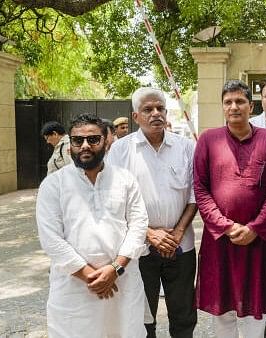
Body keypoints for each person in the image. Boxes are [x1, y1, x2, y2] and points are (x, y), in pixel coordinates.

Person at [36, 113, 149, 337]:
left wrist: (114, 270)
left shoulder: (125, 179)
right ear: (71, 145)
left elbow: (138, 225)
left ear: (106, 142)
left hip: (122, 282)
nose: (85, 145)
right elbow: (51, 239)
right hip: (74, 287)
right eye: (78, 140)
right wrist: (91, 276)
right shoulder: (53, 184)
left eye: (93, 139)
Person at [193, 80, 266, 338]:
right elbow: (200, 189)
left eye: (240, 101)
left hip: (258, 240)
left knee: (255, 309)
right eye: (228, 102)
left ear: (251, 106)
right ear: (223, 107)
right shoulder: (208, 140)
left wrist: (255, 228)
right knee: (222, 309)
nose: (234, 107)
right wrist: (226, 226)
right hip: (221, 240)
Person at [106, 87, 198, 338]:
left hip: (181, 246)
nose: (155, 113)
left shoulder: (186, 147)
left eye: (160, 108)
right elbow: (114, 201)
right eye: (148, 109)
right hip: (138, 250)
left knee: (184, 314)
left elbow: (195, 194)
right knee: (142, 317)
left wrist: (177, 232)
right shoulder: (120, 150)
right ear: (136, 116)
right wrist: (149, 234)